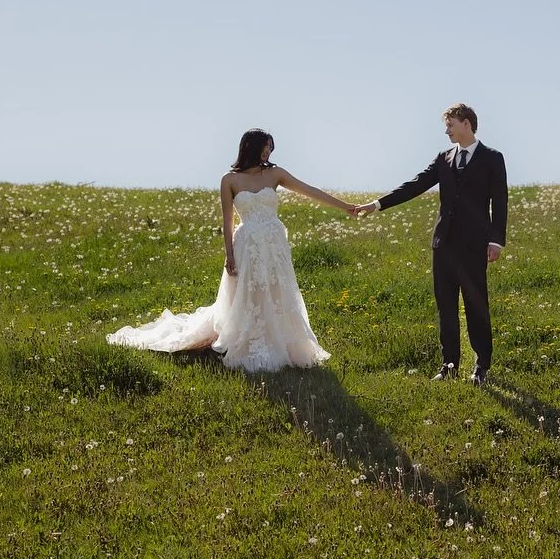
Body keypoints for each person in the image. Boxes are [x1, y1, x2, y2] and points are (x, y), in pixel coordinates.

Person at [108, 129, 358, 372]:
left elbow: (309, 190)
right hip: (247, 243)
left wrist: (346, 206)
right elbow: (227, 221)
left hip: (274, 243)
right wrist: (229, 254)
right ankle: (248, 340)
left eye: (270, 148)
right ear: (251, 146)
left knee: (277, 289)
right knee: (249, 292)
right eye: (264, 146)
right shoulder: (229, 179)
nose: (267, 152)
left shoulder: (275, 174)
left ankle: (284, 341)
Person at [357, 103, 508, 384]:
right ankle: (449, 365)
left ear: (466, 123)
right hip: (444, 245)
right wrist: (377, 205)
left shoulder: (492, 158)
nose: (446, 131)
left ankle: (481, 366)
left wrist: (496, 241)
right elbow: (415, 185)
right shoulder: (443, 158)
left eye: (450, 125)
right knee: (446, 307)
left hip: (475, 245)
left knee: (476, 306)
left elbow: (500, 202)